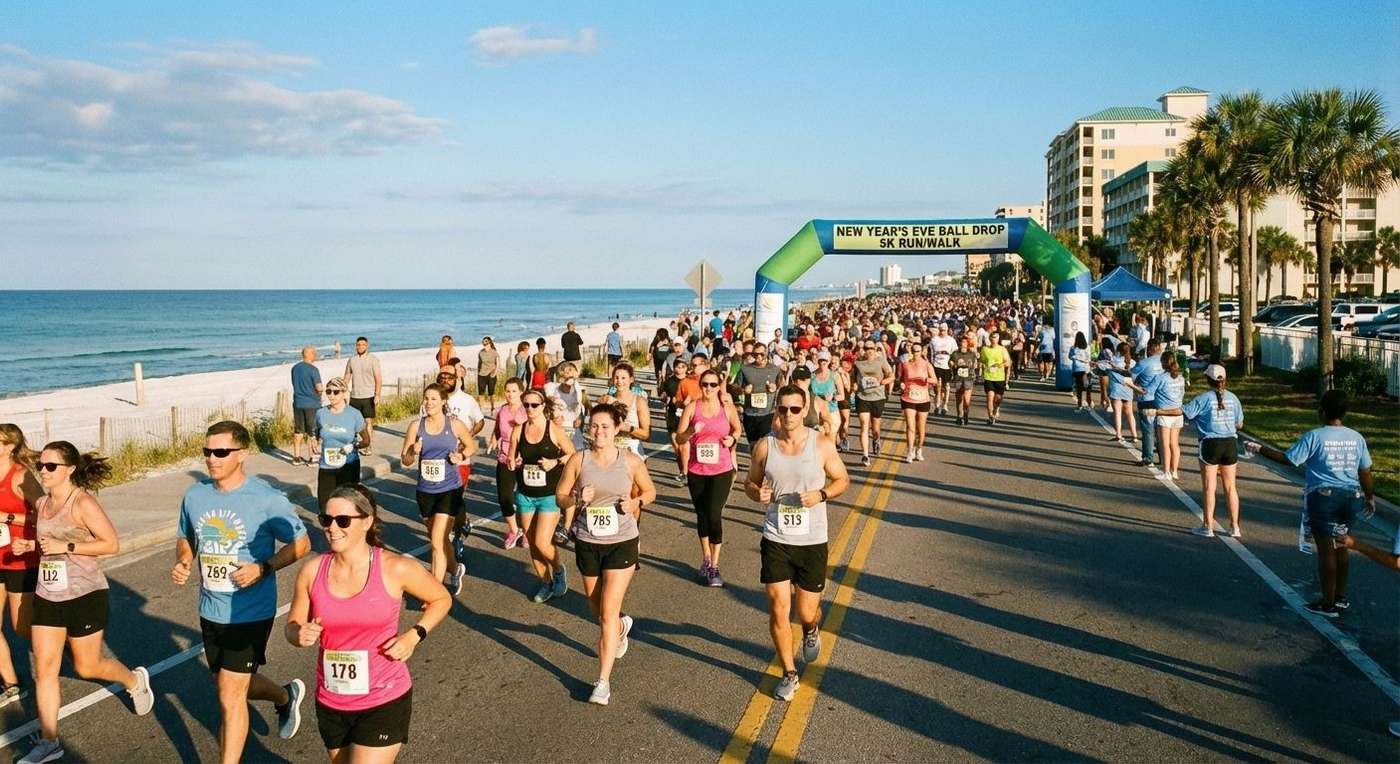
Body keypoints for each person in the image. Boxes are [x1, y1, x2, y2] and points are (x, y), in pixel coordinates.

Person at [172, 421, 309, 764]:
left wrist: (263, 567)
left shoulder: (266, 498)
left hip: (251, 610)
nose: (212, 459)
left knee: (229, 696)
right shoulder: (195, 496)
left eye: (221, 452)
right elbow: (186, 536)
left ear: (242, 454)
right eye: (207, 452)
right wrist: (185, 559)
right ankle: (284, 695)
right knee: (232, 684)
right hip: (210, 608)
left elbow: (301, 543)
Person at [287, 485, 450, 763]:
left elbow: (441, 599)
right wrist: (298, 633)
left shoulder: (394, 568)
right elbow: (291, 625)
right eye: (326, 520)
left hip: (383, 699)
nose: (332, 528)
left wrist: (414, 635)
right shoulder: (312, 570)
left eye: (343, 521)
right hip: (331, 700)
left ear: (367, 522)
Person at [14, 442, 153, 764]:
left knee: (86, 666)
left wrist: (68, 544)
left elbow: (111, 544)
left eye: (51, 467)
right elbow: (48, 544)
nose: (43, 472)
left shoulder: (82, 503)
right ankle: (49, 741)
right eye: (41, 466)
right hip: (49, 594)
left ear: (70, 469)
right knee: (44, 669)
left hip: (85, 595)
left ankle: (133, 680)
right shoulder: (45, 503)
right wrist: (30, 545)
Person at [743, 386, 851, 702]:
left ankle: (810, 629)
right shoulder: (765, 447)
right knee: (778, 608)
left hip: (812, 540)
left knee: (806, 611)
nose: (788, 415)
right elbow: (750, 482)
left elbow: (843, 480)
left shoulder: (820, 444)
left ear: (804, 411)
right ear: (776, 411)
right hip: (776, 537)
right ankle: (789, 674)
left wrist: (821, 495)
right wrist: (755, 492)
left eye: (794, 409)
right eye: (783, 409)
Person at [555, 402, 658, 706]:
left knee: (607, 612)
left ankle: (602, 681)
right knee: (596, 608)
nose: (599, 431)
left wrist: (636, 504)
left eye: (605, 426)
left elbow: (650, 492)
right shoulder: (578, 459)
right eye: (594, 426)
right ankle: (622, 624)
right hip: (587, 541)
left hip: (622, 542)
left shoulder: (631, 461)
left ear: (616, 429)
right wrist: (574, 496)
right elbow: (560, 496)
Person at [1247, 390, 1374, 618]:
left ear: (1322, 412)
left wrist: (1260, 448)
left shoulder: (1315, 436)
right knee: (1342, 544)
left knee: (1326, 550)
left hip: (1324, 497)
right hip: (1351, 497)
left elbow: (1290, 459)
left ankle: (1327, 603)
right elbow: (1365, 470)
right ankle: (1340, 597)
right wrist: (1370, 496)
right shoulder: (1356, 437)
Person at [400, 385, 477, 595]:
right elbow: (405, 461)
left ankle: (434, 592)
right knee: (440, 541)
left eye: (433, 398)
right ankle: (455, 569)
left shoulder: (454, 425)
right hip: (425, 491)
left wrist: (460, 456)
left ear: (443, 401)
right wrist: (412, 451)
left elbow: (471, 446)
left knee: (436, 541)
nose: (428, 402)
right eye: (426, 398)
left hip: (449, 490)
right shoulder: (416, 426)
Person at [507, 388, 575, 603]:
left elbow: (572, 453)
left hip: (548, 495)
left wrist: (555, 462)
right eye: (525, 405)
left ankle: (557, 569)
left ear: (543, 406)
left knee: (542, 541)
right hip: (525, 494)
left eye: (534, 405)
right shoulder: (518, 430)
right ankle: (545, 583)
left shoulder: (553, 429)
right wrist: (514, 461)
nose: (529, 409)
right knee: (533, 543)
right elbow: (509, 459)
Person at [677, 369, 741, 587]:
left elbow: (737, 429)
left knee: (714, 513)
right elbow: (679, 436)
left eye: (713, 385)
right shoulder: (692, 408)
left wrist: (732, 439)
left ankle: (715, 564)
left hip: (722, 469)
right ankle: (705, 557)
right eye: (705, 384)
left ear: (718, 386)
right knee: (702, 514)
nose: (709, 388)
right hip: (697, 470)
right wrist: (691, 433)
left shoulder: (727, 407)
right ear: (700, 385)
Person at [0, 424, 40, 708]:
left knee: (20, 627)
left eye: (2, 443)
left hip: (20, 558)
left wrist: (8, 517)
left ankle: (61, 644)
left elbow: (46, 516)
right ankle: (12, 684)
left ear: (11, 446)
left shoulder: (22, 476)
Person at [1178, 364, 1243, 537]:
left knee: (1209, 487)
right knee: (1231, 487)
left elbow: (1187, 412)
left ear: (1208, 380)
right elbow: (1240, 424)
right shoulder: (1234, 398)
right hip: (1230, 443)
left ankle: (1207, 526)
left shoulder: (1204, 398)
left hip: (1210, 443)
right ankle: (1235, 527)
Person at [439, 368, 485, 565]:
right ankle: (459, 524)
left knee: (455, 500)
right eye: (442, 377)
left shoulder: (466, 400)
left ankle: (457, 538)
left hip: (460, 461)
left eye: (450, 377)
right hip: (436, 461)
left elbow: (480, 421)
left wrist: (468, 438)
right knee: (440, 502)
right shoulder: (431, 399)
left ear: (457, 379)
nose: (446, 379)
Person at [314, 378, 369, 509]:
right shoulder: (321, 413)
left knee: (347, 506)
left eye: (335, 392)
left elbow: (366, 441)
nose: (331, 395)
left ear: (344, 393)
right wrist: (313, 440)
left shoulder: (354, 414)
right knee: (325, 506)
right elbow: (316, 431)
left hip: (348, 465)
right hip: (326, 466)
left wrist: (354, 446)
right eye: (328, 391)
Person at [489, 379, 528, 549]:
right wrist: (493, 439)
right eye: (507, 391)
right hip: (505, 457)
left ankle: (527, 532)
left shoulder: (527, 410)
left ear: (521, 391)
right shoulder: (503, 410)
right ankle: (514, 529)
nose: (510, 394)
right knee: (504, 496)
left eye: (513, 391)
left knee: (525, 497)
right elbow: (498, 427)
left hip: (524, 458)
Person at [852, 341, 894, 467]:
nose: (869, 350)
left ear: (875, 349)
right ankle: (865, 455)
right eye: (866, 348)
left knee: (875, 429)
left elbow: (891, 376)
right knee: (864, 425)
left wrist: (881, 383)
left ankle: (876, 440)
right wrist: (854, 384)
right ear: (863, 349)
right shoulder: (858, 362)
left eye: (871, 348)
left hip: (877, 397)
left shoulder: (880, 360)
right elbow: (853, 377)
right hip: (862, 397)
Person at [601, 364, 650, 460]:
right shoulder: (607, 399)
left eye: (623, 378)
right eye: (616, 378)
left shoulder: (639, 401)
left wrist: (628, 428)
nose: (619, 381)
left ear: (631, 379)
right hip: (609, 447)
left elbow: (646, 434)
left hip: (631, 447)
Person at [343, 337, 382, 456]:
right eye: (358, 345)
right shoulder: (352, 360)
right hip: (355, 396)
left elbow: (378, 379)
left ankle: (368, 445)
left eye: (363, 345)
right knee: (354, 423)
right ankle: (354, 445)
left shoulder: (373, 359)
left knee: (367, 422)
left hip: (369, 395)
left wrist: (377, 395)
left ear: (367, 346)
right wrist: (342, 391)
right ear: (356, 346)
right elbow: (347, 376)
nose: (360, 347)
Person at [737, 347, 782, 447]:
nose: (759, 357)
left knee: (765, 445)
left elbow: (782, 385)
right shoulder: (745, 369)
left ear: (766, 354)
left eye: (762, 354)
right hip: (750, 413)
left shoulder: (775, 369)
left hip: (768, 413)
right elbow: (735, 388)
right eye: (756, 354)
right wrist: (744, 390)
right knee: (753, 445)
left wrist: (775, 387)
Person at [1132, 339, 1165, 468]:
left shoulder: (1144, 363)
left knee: (1148, 430)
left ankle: (1148, 457)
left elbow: (1131, 376)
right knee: (1162, 430)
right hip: (1163, 400)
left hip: (1146, 399)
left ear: (1149, 349)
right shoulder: (1165, 362)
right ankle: (1164, 456)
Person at [899, 340, 933, 461]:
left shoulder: (926, 364)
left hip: (923, 398)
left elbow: (934, 380)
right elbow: (901, 378)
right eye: (914, 351)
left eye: (918, 351)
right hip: (908, 397)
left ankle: (919, 448)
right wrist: (902, 384)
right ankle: (909, 451)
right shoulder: (905, 364)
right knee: (910, 426)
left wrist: (926, 379)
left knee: (921, 428)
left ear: (922, 351)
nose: (916, 353)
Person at [659, 357, 690, 485]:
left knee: (684, 445)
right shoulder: (669, 381)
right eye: (678, 366)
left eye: (683, 367)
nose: (680, 369)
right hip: (673, 414)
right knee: (676, 445)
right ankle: (682, 469)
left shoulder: (690, 381)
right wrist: (666, 398)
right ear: (674, 367)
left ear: (686, 368)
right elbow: (662, 395)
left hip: (687, 415)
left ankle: (685, 472)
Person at [291, 346, 324, 466]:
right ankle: (312, 458)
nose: (315, 355)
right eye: (314, 353)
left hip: (298, 402)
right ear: (309, 355)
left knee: (298, 430)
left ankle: (296, 457)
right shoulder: (313, 370)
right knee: (312, 431)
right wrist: (321, 393)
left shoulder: (294, 368)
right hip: (312, 403)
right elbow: (319, 387)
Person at [1106, 343, 1138, 443]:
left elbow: (1106, 369)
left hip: (1116, 388)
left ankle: (1119, 434)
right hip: (1128, 388)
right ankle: (1134, 435)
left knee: (1118, 412)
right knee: (1129, 413)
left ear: (1118, 351)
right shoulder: (1132, 362)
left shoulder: (1114, 361)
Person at [978, 331, 1012, 425]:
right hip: (989, 377)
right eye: (992, 337)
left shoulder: (1002, 349)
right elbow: (982, 361)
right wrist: (982, 366)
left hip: (999, 378)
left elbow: (1008, 362)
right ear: (990, 338)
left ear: (998, 339)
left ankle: (996, 408)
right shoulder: (985, 349)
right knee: (989, 397)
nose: (994, 339)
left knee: (998, 398)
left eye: (996, 337)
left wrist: (1000, 365)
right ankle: (990, 417)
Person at [948, 335, 979, 426]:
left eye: (965, 342)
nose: (963, 344)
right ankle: (959, 416)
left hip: (968, 378)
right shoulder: (955, 353)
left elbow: (975, 365)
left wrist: (975, 364)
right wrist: (952, 364)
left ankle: (966, 415)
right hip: (958, 378)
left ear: (968, 344)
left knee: (966, 399)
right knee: (959, 398)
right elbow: (951, 363)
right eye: (961, 342)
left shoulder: (971, 353)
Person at [477, 337, 500, 412]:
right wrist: (478, 371)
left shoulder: (494, 352)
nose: (484, 343)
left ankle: (493, 408)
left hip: (491, 374)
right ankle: (481, 409)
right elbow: (479, 363)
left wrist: (494, 373)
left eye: (486, 341)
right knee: (481, 392)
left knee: (491, 392)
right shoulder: (481, 352)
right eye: (483, 342)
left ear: (490, 342)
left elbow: (498, 364)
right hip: (481, 375)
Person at [1069, 332, 1091, 410]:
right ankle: (1089, 402)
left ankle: (1079, 404)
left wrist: (1076, 357)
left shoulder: (1073, 348)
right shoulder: (1087, 347)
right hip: (1086, 369)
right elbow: (1089, 358)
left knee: (1079, 387)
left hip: (1077, 369)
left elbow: (1070, 357)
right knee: (1088, 387)